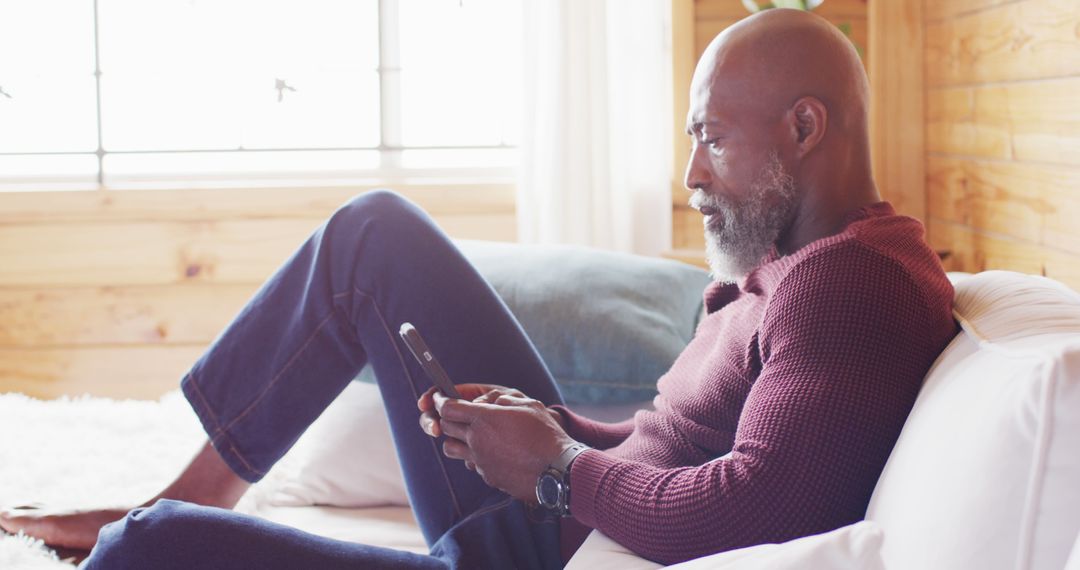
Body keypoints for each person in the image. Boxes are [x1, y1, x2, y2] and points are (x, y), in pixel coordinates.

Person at [0, 8, 958, 568]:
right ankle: (202, 481)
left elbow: (753, 511)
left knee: (156, 550)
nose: (693, 174)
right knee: (370, 235)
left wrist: (552, 465)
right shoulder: (797, 268)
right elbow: (676, 447)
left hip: (553, 552)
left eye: (709, 135)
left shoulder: (853, 289)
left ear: (804, 126)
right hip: (556, 509)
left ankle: (156, 519)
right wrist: (556, 432)